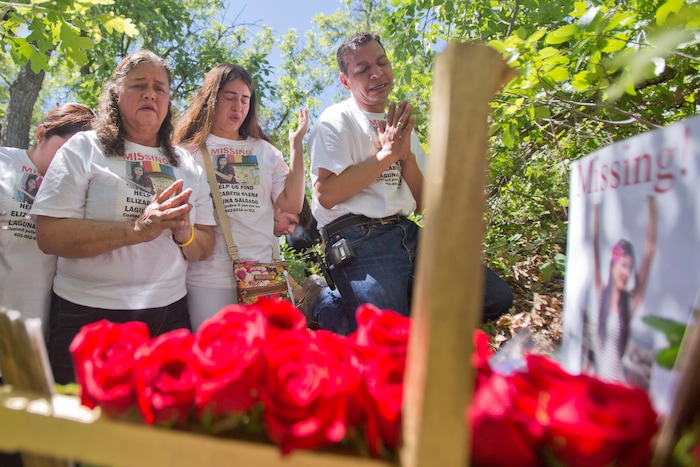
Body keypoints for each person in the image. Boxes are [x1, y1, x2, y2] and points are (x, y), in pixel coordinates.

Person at [305, 32, 514, 335]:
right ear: (346, 81)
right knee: (386, 336)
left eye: (382, 62)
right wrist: (387, 154)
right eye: (362, 69)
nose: (377, 73)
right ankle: (321, 301)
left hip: (408, 234)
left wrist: (407, 158)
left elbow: (424, 201)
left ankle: (402, 312)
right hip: (357, 238)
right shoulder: (335, 119)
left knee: (495, 297)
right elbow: (326, 194)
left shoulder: (401, 124)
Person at [31, 50, 216, 384]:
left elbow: (204, 246)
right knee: (82, 431)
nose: (150, 94)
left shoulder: (187, 165)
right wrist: (137, 229)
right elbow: (49, 235)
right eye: (139, 85)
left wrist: (184, 232)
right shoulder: (83, 149)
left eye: (160, 88)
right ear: (116, 94)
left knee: (159, 430)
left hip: (166, 317)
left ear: (169, 100)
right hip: (86, 315)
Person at [174, 63, 308, 331]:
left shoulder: (265, 151)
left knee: (266, 363)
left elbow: (292, 203)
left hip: (262, 276)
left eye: (245, 100)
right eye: (230, 97)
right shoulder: (186, 153)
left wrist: (296, 147)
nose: (238, 107)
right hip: (206, 279)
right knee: (216, 362)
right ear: (211, 99)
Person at [0, 102, 95, 331]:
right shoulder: (5, 163)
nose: (69, 163)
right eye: (63, 151)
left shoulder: (84, 186)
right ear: (41, 133)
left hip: (39, 326)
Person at [593, 197, 656, 382]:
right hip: (596, 382)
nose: (626, 272)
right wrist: (595, 208)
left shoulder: (628, 304)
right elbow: (594, 245)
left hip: (616, 386)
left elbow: (649, 252)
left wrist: (652, 205)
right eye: (622, 265)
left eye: (629, 267)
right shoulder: (601, 295)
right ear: (612, 267)